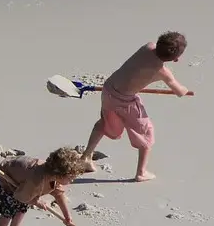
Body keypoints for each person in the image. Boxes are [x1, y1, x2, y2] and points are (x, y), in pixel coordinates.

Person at [79, 31, 194, 182]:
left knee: (104, 122)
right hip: (125, 102)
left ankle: (86, 157)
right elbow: (179, 92)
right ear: (176, 59)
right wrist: (185, 90)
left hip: (108, 90)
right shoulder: (162, 72)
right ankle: (141, 172)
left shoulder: (147, 47)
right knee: (146, 132)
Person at [0, 146, 86, 226]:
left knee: (22, 208)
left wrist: (67, 216)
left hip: (23, 180)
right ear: (59, 175)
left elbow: (59, 195)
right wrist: (37, 202)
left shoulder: (53, 176)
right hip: (7, 177)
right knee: (8, 210)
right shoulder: (36, 180)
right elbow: (21, 197)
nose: (72, 180)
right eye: (71, 178)